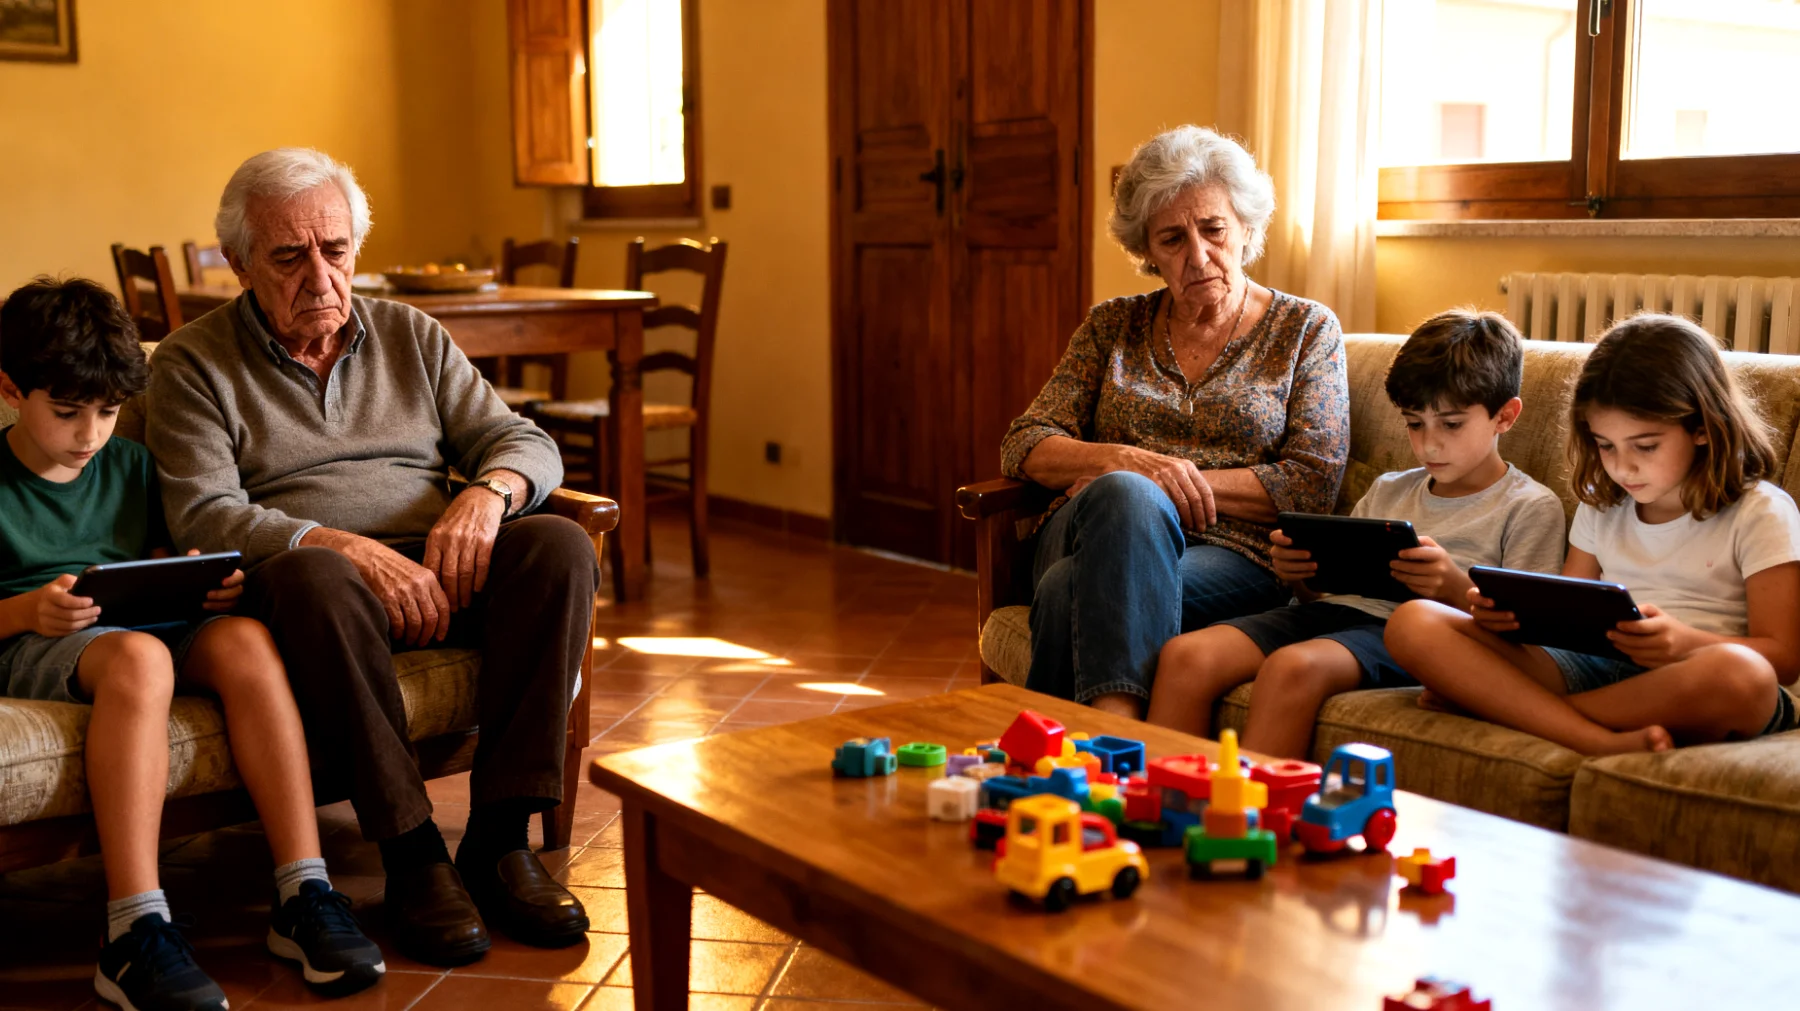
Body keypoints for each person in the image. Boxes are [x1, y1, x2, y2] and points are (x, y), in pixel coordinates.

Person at [145, 148, 594, 966]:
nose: (320, 276)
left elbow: (523, 439)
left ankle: (499, 842)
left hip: (439, 563)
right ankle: (414, 852)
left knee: (558, 545)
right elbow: (205, 511)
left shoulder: (410, 333)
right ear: (242, 264)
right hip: (305, 584)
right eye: (289, 256)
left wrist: (485, 494)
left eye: (336, 249)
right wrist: (339, 543)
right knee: (321, 577)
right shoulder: (190, 362)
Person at [0, 278, 384, 1010]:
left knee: (243, 639)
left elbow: (162, 556)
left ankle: (305, 888)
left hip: (139, 623)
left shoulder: (132, 467)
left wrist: (205, 586)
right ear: (12, 390)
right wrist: (24, 611)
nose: (90, 434)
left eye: (109, 412)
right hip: (38, 639)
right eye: (68, 411)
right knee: (140, 659)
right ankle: (133, 929)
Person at [1001, 125, 1350, 718]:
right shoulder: (1112, 326)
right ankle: (1126, 748)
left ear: (1244, 227)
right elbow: (1023, 443)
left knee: (1068, 589)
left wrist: (1162, 481)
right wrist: (1120, 464)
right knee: (1125, 495)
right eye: (1171, 238)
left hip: (1237, 556)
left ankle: (1056, 769)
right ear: (1147, 251)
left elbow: (1310, 482)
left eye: (1213, 229)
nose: (1197, 255)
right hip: (1086, 528)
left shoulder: (1305, 331)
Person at [1145, 310, 1567, 757]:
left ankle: (1248, 822)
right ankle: (1156, 814)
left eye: (1452, 424)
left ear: (1505, 416)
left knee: (1294, 667)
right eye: (1414, 423)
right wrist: (1302, 574)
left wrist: (1451, 586)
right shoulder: (1389, 489)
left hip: (1416, 637)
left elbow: (1529, 639)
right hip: (1335, 616)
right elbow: (1321, 598)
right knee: (1185, 656)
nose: (1429, 445)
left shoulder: (1530, 506)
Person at [1386, 314, 1800, 755]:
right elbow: (1564, 620)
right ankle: (1591, 735)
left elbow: (1784, 658)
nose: (1622, 466)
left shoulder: (1761, 511)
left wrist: (1685, 642)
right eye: (1606, 445)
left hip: (1692, 672)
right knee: (1414, 622)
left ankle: (1514, 710)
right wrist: (1512, 621)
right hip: (1593, 665)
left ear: (1702, 427)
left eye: (1645, 446)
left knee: (1742, 675)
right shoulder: (1602, 505)